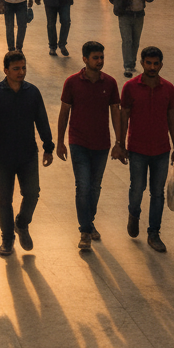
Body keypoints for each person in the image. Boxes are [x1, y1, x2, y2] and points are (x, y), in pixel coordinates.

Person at [0, 51, 56, 256]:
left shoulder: (33, 92)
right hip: (3, 155)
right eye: (16, 69)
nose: (21, 72)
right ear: (6, 70)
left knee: (32, 193)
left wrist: (48, 147)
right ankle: (7, 239)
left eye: (23, 68)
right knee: (4, 199)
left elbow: (42, 120)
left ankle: (21, 223)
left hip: (28, 153)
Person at [55, 41, 124, 251]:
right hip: (79, 143)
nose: (100, 61)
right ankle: (85, 231)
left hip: (102, 144)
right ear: (84, 59)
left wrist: (120, 142)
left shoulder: (110, 83)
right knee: (83, 186)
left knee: (95, 187)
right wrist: (59, 142)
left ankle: (89, 221)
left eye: (101, 57)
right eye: (95, 58)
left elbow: (115, 113)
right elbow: (64, 113)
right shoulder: (72, 82)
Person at [120, 46, 174, 252]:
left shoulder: (168, 88)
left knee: (158, 193)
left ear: (161, 65)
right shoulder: (130, 87)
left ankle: (154, 233)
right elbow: (124, 116)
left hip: (162, 150)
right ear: (142, 63)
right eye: (148, 63)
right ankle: (134, 214)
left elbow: (172, 118)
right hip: (137, 149)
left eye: (156, 64)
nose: (152, 67)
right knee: (137, 188)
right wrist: (120, 144)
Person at [106, 0, 156, 78]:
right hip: (125, 14)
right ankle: (127, 65)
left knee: (136, 41)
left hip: (139, 14)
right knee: (127, 40)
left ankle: (132, 62)